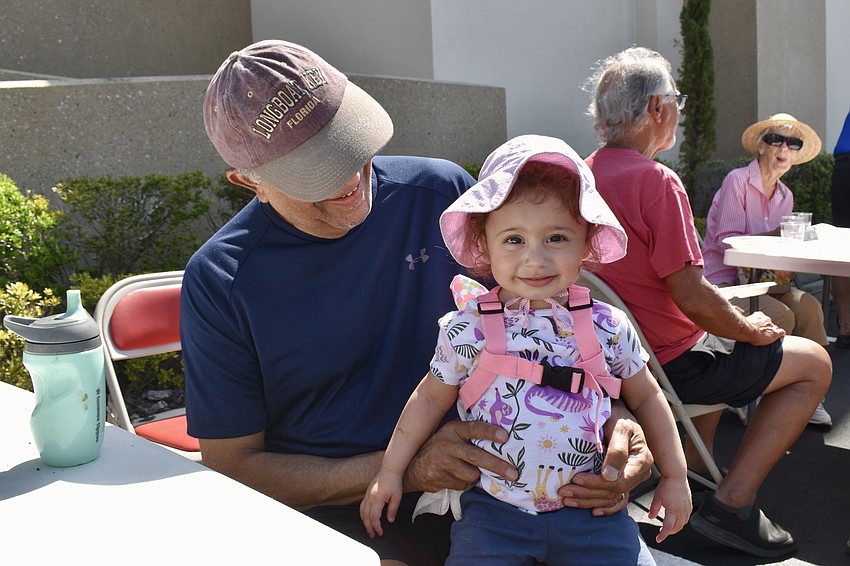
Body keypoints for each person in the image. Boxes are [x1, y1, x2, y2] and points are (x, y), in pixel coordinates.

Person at [181, 39, 654, 565]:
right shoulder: (222, 278)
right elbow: (233, 467)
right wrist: (402, 468)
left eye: (347, 144)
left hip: (503, 493)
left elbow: (546, 326)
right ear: (248, 181)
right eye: (313, 170)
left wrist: (610, 418)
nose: (348, 178)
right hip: (346, 511)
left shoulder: (441, 195)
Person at [360, 135, 691, 565]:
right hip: (495, 513)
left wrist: (676, 475)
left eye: (556, 237)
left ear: (587, 241)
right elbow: (428, 398)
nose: (535, 260)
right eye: (514, 240)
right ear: (484, 244)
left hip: (592, 511)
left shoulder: (606, 326)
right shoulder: (469, 328)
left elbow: (646, 396)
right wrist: (390, 472)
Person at [583, 46, 832, 559]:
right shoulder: (655, 181)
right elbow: (692, 295)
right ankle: (731, 506)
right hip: (668, 363)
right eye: (677, 100)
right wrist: (749, 328)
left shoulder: (580, 174)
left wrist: (734, 326)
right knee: (814, 363)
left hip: (611, 358)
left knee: (719, 339)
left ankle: (695, 477)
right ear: (657, 108)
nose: (679, 109)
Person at [702, 113, 832, 426]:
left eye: (793, 143)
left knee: (810, 307)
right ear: (761, 147)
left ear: (797, 154)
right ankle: (760, 396)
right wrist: (776, 236)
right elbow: (726, 241)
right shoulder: (737, 181)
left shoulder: (786, 196)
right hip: (726, 283)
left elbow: (780, 249)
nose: (784, 147)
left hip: (769, 281)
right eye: (776, 139)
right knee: (781, 316)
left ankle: (810, 396)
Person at [830, 106, 850, 349]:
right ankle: (845, 326)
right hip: (845, 166)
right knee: (844, 247)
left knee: (845, 247)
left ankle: (846, 328)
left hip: (844, 167)